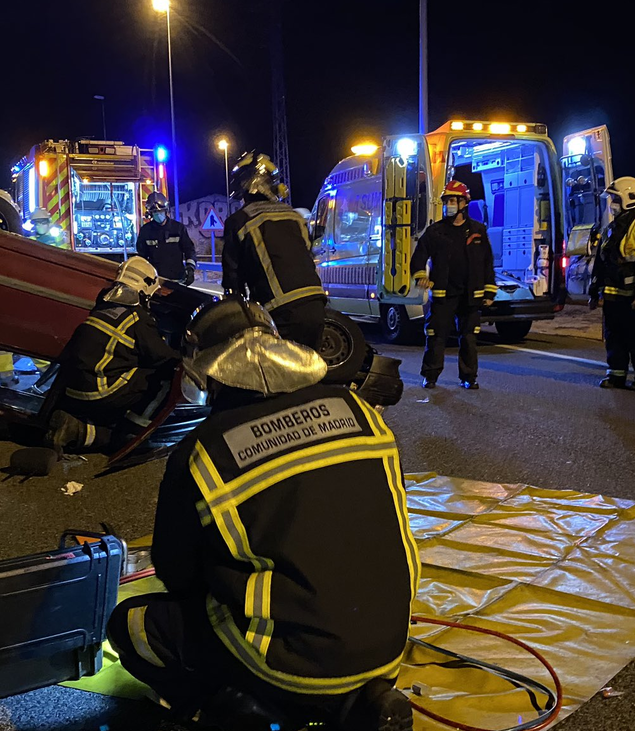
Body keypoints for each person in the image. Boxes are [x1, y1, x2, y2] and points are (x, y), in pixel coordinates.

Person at [106, 299, 417, 731]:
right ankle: (350, 704)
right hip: (387, 647)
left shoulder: (203, 450)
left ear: (206, 373)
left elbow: (178, 574)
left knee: (132, 625)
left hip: (283, 663)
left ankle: (232, 705)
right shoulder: (363, 414)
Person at [46, 257, 179, 451]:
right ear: (144, 288)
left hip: (74, 391)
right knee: (163, 378)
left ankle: (77, 430)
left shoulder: (101, 307)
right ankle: (132, 434)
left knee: (129, 373)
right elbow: (161, 357)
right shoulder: (136, 317)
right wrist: (186, 359)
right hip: (101, 391)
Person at [221, 151, 327, 350]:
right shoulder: (294, 216)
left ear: (247, 186)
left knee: (280, 375)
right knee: (309, 370)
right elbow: (306, 252)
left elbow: (232, 275)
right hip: (316, 303)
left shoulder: (239, 221)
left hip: (281, 309)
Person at [410, 180, 497, 390]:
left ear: (463, 203)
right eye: (446, 201)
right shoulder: (435, 231)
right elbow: (419, 255)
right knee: (436, 335)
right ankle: (430, 375)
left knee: (469, 337)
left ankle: (469, 377)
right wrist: (420, 275)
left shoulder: (478, 230)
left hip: (471, 294)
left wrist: (489, 290)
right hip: (443, 294)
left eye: (452, 200)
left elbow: (487, 262)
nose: (448, 205)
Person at [588, 176, 635, 391]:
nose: (612, 203)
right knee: (613, 336)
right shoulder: (609, 229)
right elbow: (600, 263)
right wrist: (594, 290)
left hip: (633, 297)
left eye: (615, 199)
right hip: (612, 296)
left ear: (629, 198)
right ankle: (616, 374)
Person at [137, 191, 197, 284]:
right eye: (155, 212)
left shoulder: (178, 228)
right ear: (151, 214)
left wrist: (190, 269)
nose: (158, 214)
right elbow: (142, 256)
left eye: (160, 211)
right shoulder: (146, 231)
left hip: (177, 278)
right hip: (155, 281)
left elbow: (189, 249)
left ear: (166, 210)